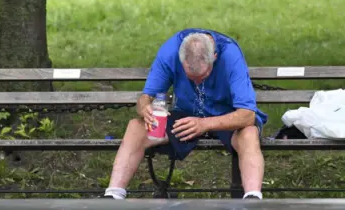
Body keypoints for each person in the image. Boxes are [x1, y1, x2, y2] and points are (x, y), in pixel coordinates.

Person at [103, 28, 267, 200]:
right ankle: (113, 195)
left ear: (215, 58)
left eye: (203, 76)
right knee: (136, 127)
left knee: (249, 133)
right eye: (191, 77)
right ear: (181, 62)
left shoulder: (230, 54)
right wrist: (145, 108)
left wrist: (204, 124)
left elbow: (247, 114)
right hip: (186, 115)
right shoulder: (170, 52)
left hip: (227, 115)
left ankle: (252, 198)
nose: (197, 82)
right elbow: (146, 97)